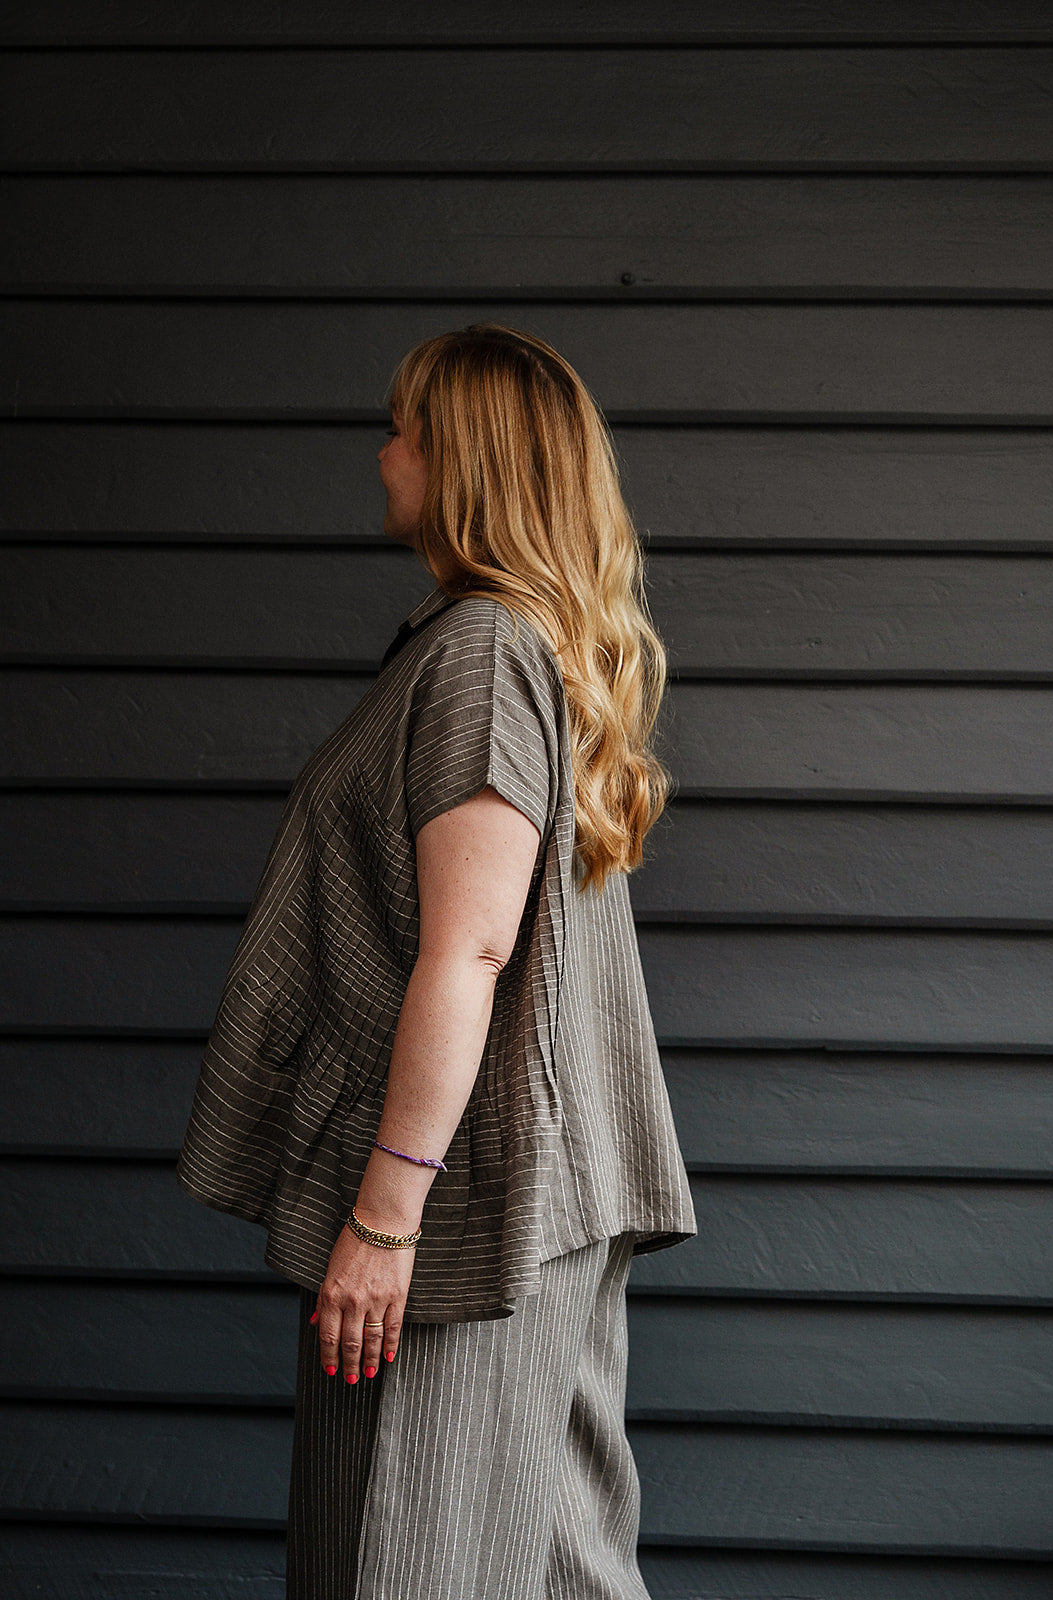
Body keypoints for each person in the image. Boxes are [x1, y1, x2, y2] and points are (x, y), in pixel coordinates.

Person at [176, 321, 697, 1598]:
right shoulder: (506, 647)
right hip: (537, 1192)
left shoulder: (480, 653)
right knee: (560, 1559)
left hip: (466, 1208)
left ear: (464, 457)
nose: (381, 452)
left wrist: (384, 1219)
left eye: (405, 426)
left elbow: (470, 946)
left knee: (403, 1562)